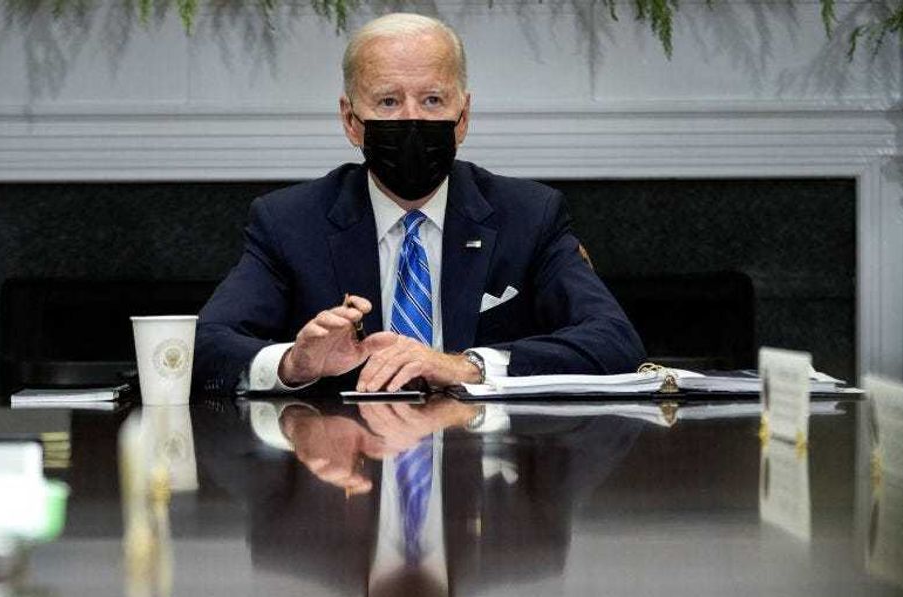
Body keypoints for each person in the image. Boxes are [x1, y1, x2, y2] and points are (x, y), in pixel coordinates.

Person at [193, 12, 644, 396]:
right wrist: (294, 363)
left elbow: (614, 341)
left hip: (484, 475)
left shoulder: (528, 216)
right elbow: (204, 345)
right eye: (388, 101)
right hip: (344, 473)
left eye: (432, 100)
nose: (411, 118)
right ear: (351, 121)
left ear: (462, 117)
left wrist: (466, 366)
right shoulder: (289, 222)